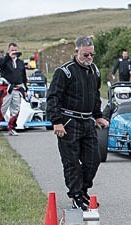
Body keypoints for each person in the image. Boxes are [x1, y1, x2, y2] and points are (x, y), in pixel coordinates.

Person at [46, 36, 109, 210]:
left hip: (87, 121)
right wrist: (56, 122)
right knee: (71, 162)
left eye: (92, 55)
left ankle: (83, 190)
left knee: (93, 159)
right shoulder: (64, 72)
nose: (89, 58)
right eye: (85, 55)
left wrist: (98, 116)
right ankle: (75, 195)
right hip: (68, 121)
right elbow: (53, 97)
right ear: (76, 52)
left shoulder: (94, 71)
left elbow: (95, 95)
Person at [0, 42, 28, 135]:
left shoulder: (20, 63)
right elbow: (0, 65)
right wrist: (8, 57)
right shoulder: (4, 61)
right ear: (8, 50)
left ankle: (12, 127)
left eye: (15, 50)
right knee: (2, 108)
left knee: (16, 109)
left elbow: (23, 76)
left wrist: (25, 89)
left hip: (17, 88)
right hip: (7, 88)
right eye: (12, 50)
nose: (14, 52)